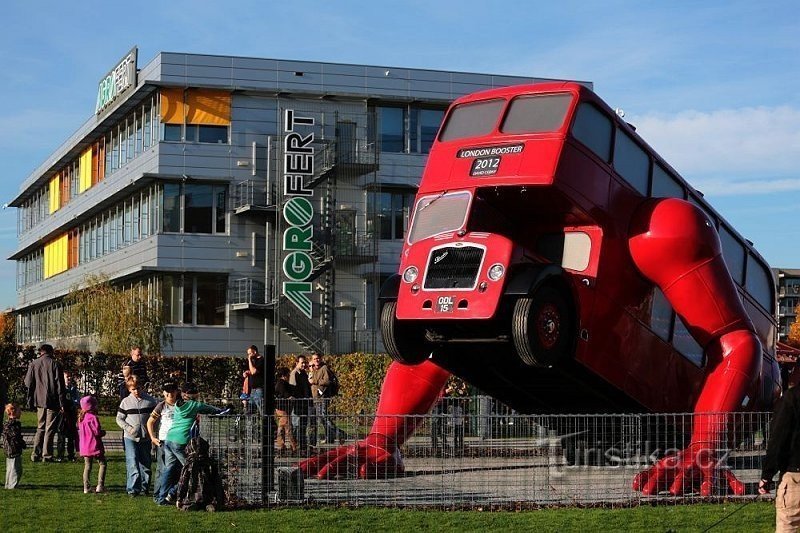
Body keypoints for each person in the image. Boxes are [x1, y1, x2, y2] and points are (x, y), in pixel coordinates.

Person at [160, 382, 221, 503]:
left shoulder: (177, 404)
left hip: (169, 439)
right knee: (190, 469)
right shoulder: (195, 405)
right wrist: (224, 410)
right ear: (194, 394)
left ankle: (161, 497)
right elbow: (213, 410)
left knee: (168, 469)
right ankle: (172, 494)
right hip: (181, 441)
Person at [759, 384, 800, 531]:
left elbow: (778, 439)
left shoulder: (791, 397)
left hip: (795, 476)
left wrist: (767, 475)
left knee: (788, 526)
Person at [24, 344, 65, 462]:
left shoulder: (34, 364)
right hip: (53, 401)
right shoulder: (55, 364)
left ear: (41, 352)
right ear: (51, 352)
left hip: (39, 400)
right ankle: (46, 455)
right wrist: (62, 402)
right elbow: (60, 386)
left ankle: (35, 453)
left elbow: (27, 383)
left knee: (40, 427)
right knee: (50, 428)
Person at [116, 376, 157, 496]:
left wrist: (153, 433)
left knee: (146, 463)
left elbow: (155, 418)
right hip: (130, 437)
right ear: (129, 389)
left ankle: (145, 487)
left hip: (146, 437)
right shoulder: (125, 402)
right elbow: (119, 419)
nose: (136, 391)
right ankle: (133, 489)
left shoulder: (150, 401)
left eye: (138, 388)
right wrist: (129, 428)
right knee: (132, 461)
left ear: (142, 387)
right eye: (133, 389)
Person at [147, 381, 180, 505]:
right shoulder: (161, 406)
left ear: (177, 392)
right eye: (167, 391)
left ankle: (171, 495)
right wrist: (153, 437)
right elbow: (150, 422)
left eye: (172, 391)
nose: (170, 394)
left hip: (178, 440)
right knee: (162, 469)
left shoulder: (181, 405)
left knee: (176, 469)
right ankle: (158, 494)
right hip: (164, 441)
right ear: (164, 393)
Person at [308, 354, 345, 445]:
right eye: (314, 359)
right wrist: (311, 370)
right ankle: (330, 437)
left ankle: (339, 433)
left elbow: (327, 381)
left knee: (324, 417)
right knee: (321, 418)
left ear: (320, 359)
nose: (316, 360)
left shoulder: (324, 368)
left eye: (318, 358)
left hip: (322, 398)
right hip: (315, 398)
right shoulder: (314, 370)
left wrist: (315, 381)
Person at [78, 395, 106, 494]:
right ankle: (100, 485)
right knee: (102, 464)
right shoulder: (93, 418)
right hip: (94, 445)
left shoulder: (81, 418)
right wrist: (103, 432)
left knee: (87, 466)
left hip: (85, 447)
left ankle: (86, 487)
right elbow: (97, 432)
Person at [289, 355, 311, 453]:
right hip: (297, 404)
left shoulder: (304, 373)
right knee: (296, 425)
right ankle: (295, 446)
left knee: (303, 426)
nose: (303, 364)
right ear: (296, 363)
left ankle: (302, 446)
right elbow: (293, 389)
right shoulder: (294, 373)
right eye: (301, 362)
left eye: (304, 362)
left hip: (304, 403)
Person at [56, 370, 80, 462]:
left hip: (71, 413)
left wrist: (75, 403)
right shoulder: (61, 389)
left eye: (70, 377)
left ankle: (71, 455)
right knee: (61, 435)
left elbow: (77, 400)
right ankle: (60, 455)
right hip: (63, 414)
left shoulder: (73, 389)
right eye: (67, 377)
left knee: (71, 436)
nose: (69, 378)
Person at [274, 367, 297, 455]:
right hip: (282, 408)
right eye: (288, 374)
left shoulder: (280, 383)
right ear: (284, 375)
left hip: (280, 408)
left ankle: (281, 446)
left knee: (282, 427)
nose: (289, 375)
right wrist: (290, 397)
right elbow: (285, 393)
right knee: (288, 427)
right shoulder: (282, 383)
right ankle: (293, 447)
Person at [3, 403, 26, 489]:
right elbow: (15, 437)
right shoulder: (13, 425)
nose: (21, 413)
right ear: (14, 412)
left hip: (9, 449)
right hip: (14, 449)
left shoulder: (8, 424)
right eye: (19, 411)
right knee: (16, 469)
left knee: (10, 468)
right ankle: (12, 485)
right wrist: (22, 443)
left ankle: (8, 484)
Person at [242, 345, 264, 416]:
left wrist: (249, 360)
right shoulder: (254, 361)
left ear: (254, 352)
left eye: (250, 353)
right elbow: (252, 371)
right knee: (250, 411)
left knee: (262, 410)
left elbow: (254, 371)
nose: (249, 356)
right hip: (253, 390)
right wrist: (247, 372)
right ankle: (250, 427)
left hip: (259, 389)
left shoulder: (261, 360)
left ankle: (266, 425)